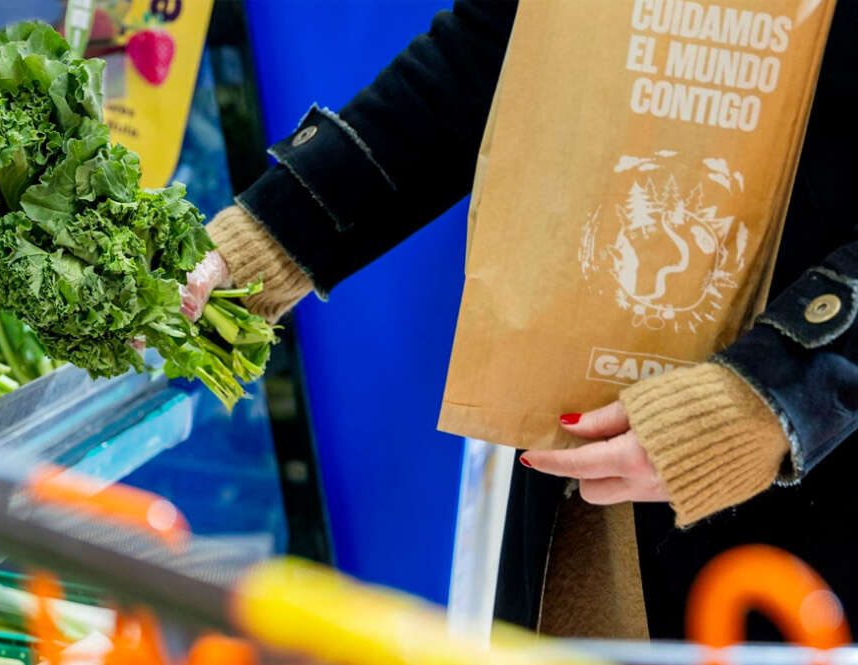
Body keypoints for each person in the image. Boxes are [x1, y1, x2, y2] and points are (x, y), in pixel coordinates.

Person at [182, 0, 858, 640]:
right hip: (580, 440)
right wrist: (268, 234)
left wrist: (778, 392)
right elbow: (496, 49)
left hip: (801, 481)